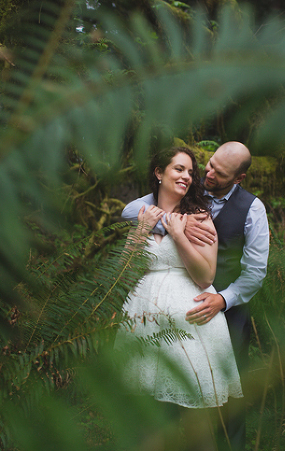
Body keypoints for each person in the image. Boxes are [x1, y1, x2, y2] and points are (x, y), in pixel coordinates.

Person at [122, 141, 270, 451]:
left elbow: (254, 272)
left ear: (238, 178)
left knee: (220, 401)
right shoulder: (187, 191)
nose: (207, 173)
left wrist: (224, 299)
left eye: (218, 171)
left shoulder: (250, 208)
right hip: (152, 313)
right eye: (209, 164)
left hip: (216, 306)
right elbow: (130, 210)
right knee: (152, 405)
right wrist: (172, 220)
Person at [116, 146, 243, 414]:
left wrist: (179, 234)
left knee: (198, 421)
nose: (187, 176)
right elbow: (121, 273)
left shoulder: (199, 218)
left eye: (190, 171)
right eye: (179, 169)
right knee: (146, 418)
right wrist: (141, 230)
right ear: (159, 173)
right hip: (143, 324)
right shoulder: (142, 215)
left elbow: (205, 276)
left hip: (191, 328)